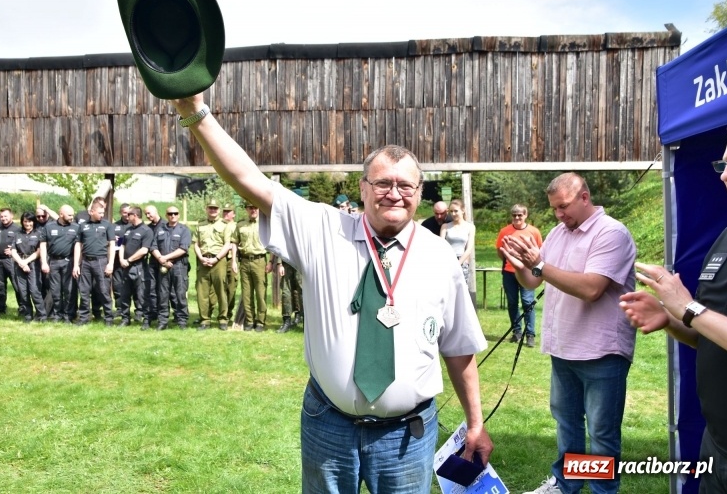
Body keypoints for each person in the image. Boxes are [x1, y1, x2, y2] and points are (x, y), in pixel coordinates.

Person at [172, 93, 492, 493]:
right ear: (363, 188)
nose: (394, 193)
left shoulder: (439, 257)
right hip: (330, 427)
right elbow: (249, 180)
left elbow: (459, 347)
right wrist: (194, 112)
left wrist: (476, 423)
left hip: (407, 437)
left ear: (420, 191)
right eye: (383, 183)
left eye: (405, 185)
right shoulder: (323, 229)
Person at [500, 172, 636, 494]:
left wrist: (539, 265)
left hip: (602, 351)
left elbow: (591, 288)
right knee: (568, 425)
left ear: (584, 197)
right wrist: (521, 263)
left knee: (602, 434)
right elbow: (533, 282)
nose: (559, 215)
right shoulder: (559, 233)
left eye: (564, 207)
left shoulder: (611, 233)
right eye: (554, 209)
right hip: (564, 348)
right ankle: (566, 485)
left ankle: (603, 491)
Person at [620, 142, 727, 493]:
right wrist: (671, 319)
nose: (724, 175)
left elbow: (698, 313)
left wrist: (689, 309)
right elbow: (709, 328)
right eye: (722, 164)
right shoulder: (724, 238)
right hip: (718, 443)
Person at [495, 204, 543, 347]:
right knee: (512, 302)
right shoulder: (505, 231)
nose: (516, 218)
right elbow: (500, 251)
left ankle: (530, 334)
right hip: (509, 272)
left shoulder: (534, 231)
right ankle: (516, 332)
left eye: (519, 215)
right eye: (514, 215)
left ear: (525, 215)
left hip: (528, 272)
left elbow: (539, 252)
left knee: (528, 302)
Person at [72, 201, 116, 326]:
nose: (102, 215)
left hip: (101, 261)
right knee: (84, 290)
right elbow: (78, 245)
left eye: (103, 213)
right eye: (100, 212)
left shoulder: (107, 225)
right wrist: (76, 265)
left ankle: (108, 318)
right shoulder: (83, 226)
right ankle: (84, 317)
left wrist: (110, 263)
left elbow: (112, 245)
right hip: (86, 262)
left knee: (103, 290)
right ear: (91, 212)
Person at [152, 205, 192, 330]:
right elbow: (153, 247)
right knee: (163, 294)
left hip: (179, 266)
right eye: (170, 214)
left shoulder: (184, 230)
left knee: (180, 294)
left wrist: (166, 258)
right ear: (166, 215)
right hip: (163, 266)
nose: (173, 216)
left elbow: (183, 248)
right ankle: (163, 321)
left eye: (175, 213)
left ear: (179, 215)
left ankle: (182, 321)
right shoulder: (160, 230)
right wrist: (161, 259)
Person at [193, 198, 231, 330]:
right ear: (206, 209)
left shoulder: (225, 225)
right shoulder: (200, 224)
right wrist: (201, 258)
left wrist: (216, 258)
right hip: (203, 260)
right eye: (210, 208)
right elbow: (196, 244)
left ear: (219, 210)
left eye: (215, 208)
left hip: (218, 261)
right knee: (202, 292)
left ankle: (222, 319)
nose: (213, 210)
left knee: (221, 290)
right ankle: (205, 320)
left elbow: (227, 244)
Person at [235, 202, 271, 332]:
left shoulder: (265, 224)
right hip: (244, 261)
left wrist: (271, 261)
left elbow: (272, 244)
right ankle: (249, 320)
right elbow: (235, 243)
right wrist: (234, 261)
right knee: (246, 293)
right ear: (246, 209)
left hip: (259, 261)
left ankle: (260, 321)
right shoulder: (240, 225)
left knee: (261, 293)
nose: (253, 210)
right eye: (250, 208)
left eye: (255, 207)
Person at [40, 205, 80, 323]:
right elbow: (42, 245)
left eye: (73, 215)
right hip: (53, 262)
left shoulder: (76, 227)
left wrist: (76, 264)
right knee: (55, 290)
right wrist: (44, 263)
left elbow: (78, 246)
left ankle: (69, 315)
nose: (72, 217)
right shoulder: (49, 227)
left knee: (69, 290)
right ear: (61, 214)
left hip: (69, 261)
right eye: (69, 215)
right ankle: (57, 314)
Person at [118, 206, 153, 327]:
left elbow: (144, 250)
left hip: (139, 267)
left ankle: (146, 320)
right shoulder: (127, 229)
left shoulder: (146, 230)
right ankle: (125, 318)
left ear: (135, 215)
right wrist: (121, 259)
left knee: (142, 294)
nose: (126, 217)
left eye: (129, 215)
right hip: (125, 267)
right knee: (124, 294)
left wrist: (129, 260)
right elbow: (121, 245)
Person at [12, 212, 48, 323]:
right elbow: (13, 250)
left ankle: (41, 315)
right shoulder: (17, 233)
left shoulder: (39, 233)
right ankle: (28, 315)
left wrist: (26, 262)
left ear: (34, 221)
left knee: (34, 290)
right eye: (25, 221)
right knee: (23, 292)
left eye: (30, 221)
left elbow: (39, 251)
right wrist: (21, 263)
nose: (28, 223)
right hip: (19, 264)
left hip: (33, 264)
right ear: (22, 222)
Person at [440, 199, 475, 286]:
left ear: (463, 210)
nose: (453, 214)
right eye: (451, 211)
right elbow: (441, 246)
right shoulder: (445, 226)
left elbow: (469, 249)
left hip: (462, 261)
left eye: (456, 211)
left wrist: (459, 263)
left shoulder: (470, 227)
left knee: (462, 290)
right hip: (448, 260)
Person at [0, 207, 22, 317]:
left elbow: (22, 244)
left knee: (17, 285)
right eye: (1, 216)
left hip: (11, 261)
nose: (3, 218)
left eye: (6, 216)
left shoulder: (18, 229)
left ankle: (23, 308)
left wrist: (13, 250)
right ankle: (1, 309)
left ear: (11, 216)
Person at [142, 205, 164, 330]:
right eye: (146, 214)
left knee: (165, 290)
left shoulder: (165, 225)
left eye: (149, 213)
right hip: (152, 262)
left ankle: (165, 314)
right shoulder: (147, 228)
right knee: (151, 289)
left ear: (156, 211)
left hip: (165, 261)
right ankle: (153, 312)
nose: (148, 216)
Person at [274, 253, 303, 334]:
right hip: (287, 262)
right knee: (286, 292)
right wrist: (280, 264)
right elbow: (281, 244)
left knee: (303, 292)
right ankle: (287, 321)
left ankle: (306, 322)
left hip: (301, 262)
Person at [221, 203, 239, 322]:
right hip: (220, 259)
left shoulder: (237, 226)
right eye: (225, 211)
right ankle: (220, 312)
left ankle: (229, 312)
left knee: (231, 286)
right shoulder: (219, 225)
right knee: (219, 287)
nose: (226, 213)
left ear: (234, 214)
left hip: (232, 259)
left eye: (229, 211)